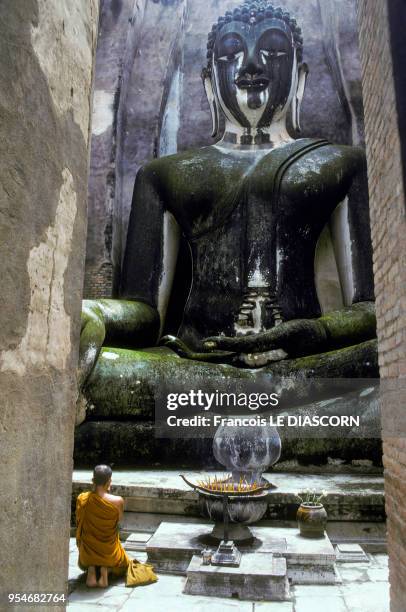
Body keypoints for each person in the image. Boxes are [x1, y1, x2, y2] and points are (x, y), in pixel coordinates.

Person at [76, 464, 128, 588]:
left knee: (90, 546)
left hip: (86, 556)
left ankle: (92, 569)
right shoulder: (118, 501)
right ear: (109, 481)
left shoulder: (82, 498)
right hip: (110, 554)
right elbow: (119, 520)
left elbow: (79, 523)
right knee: (124, 563)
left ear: (93, 480)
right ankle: (106, 570)